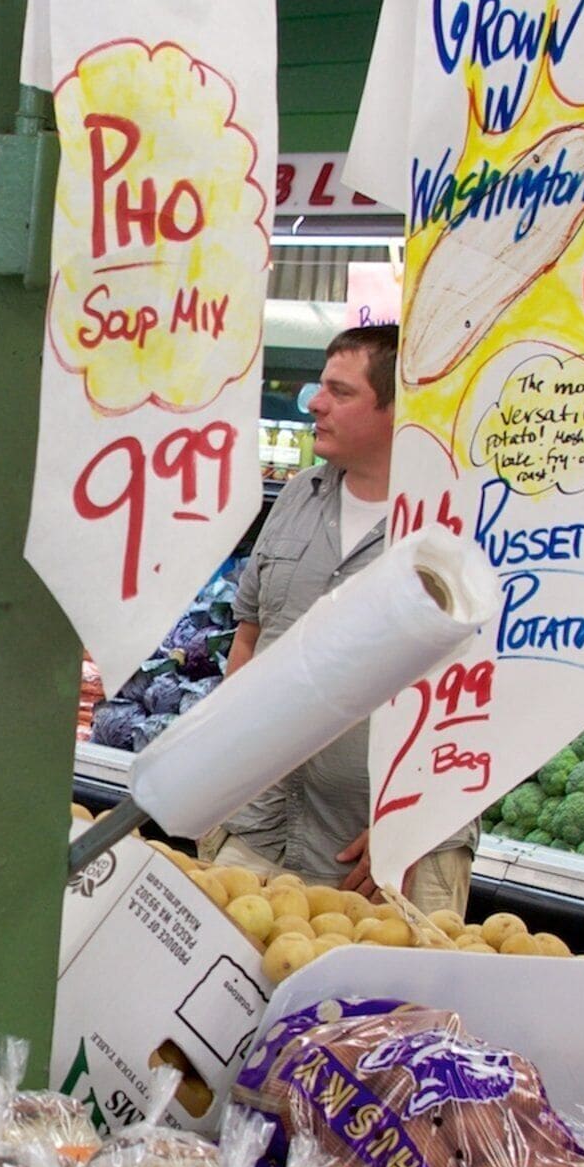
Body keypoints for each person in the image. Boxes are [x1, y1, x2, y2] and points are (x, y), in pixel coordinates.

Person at [209, 322, 475, 920]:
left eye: (341, 391)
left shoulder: (458, 525)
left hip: (388, 853)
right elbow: (249, 637)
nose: (315, 403)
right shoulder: (297, 497)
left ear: (397, 411)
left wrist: (414, 819)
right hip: (258, 828)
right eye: (320, 385)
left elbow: (491, 701)